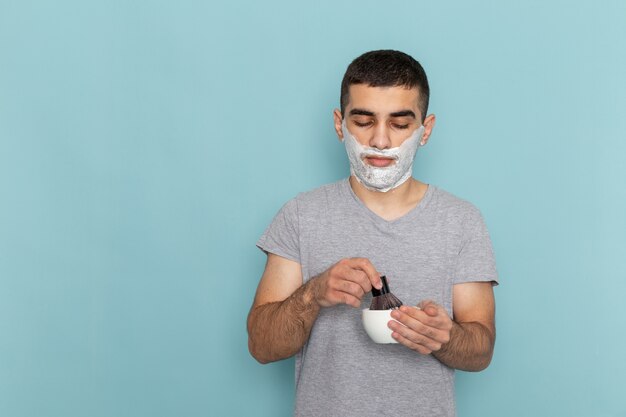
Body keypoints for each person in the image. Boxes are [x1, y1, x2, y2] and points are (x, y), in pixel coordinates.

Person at [247, 50, 498, 417]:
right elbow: (260, 345)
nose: (380, 141)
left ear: (425, 130)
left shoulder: (461, 221)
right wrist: (314, 293)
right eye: (363, 121)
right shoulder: (300, 216)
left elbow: (481, 351)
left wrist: (445, 338)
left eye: (399, 124)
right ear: (339, 124)